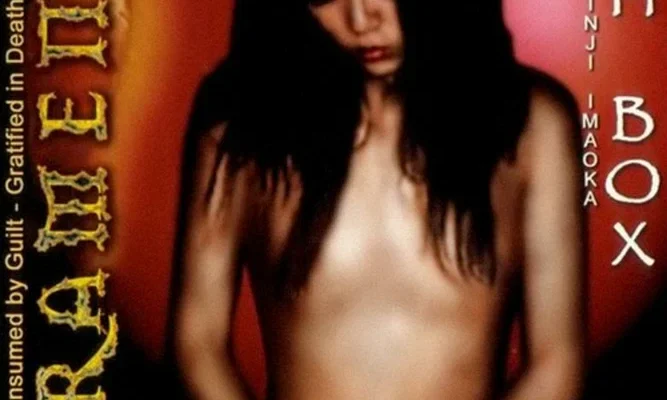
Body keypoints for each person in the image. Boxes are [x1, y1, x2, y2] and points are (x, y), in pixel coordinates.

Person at [167, 0, 586, 399]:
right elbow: (197, 343)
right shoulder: (240, 126)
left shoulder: (535, 126)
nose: (361, 19)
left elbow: (556, 367)